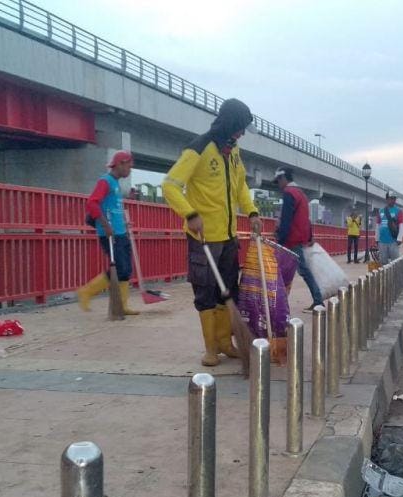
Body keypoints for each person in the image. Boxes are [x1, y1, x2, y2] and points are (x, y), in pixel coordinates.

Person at [162, 98, 262, 367]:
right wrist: (190, 214)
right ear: (231, 124)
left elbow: (240, 186)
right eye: (241, 128)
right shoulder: (199, 149)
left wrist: (251, 210)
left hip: (228, 235)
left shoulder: (234, 151)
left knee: (228, 290)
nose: (242, 134)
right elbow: (170, 186)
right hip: (203, 237)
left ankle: (224, 342)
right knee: (205, 292)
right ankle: (210, 348)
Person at [77, 150, 138, 315]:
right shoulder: (105, 181)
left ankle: (123, 306)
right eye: (129, 167)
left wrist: (124, 223)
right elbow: (92, 204)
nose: (130, 170)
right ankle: (87, 291)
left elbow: (111, 208)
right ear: (120, 164)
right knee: (119, 269)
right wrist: (106, 226)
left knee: (125, 270)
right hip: (110, 234)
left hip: (120, 232)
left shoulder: (116, 183)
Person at [274, 167, 324, 312]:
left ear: (284, 178)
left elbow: (286, 220)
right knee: (294, 271)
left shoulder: (289, 194)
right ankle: (281, 303)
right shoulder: (301, 194)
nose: (278, 184)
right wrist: (309, 236)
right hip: (300, 239)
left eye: (278, 181)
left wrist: (281, 241)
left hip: (291, 241)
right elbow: (305, 219)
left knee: (294, 272)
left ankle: (317, 300)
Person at [377, 192, 403, 264]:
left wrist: (399, 238)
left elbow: (401, 225)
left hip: (393, 241)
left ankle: (396, 275)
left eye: (394, 199)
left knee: (395, 262)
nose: (393, 200)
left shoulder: (399, 211)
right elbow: (378, 225)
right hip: (382, 241)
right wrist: (377, 238)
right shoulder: (381, 211)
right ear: (387, 199)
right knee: (383, 263)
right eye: (391, 198)